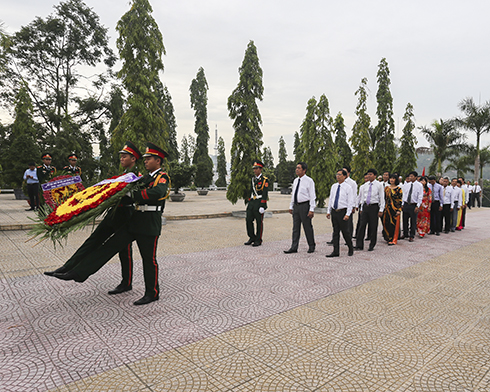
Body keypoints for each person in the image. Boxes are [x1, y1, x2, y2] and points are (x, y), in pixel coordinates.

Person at [52, 142, 170, 306]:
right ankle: (78, 272)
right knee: (109, 247)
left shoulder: (161, 177)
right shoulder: (144, 178)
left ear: (158, 161)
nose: (146, 161)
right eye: (145, 158)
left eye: (149, 158)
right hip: (135, 221)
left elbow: (157, 193)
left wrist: (131, 193)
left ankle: (152, 293)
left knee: (148, 260)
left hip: (149, 224)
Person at [45, 141, 142, 295]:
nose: (121, 159)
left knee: (124, 250)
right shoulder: (123, 175)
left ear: (134, 159)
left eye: (125, 156)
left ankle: (126, 282)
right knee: (94, 239)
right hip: (114, 212)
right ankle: (68, 267)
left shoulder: (137, 176)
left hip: (126, 214)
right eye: (121, 156)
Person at [284, 162, 316, 254]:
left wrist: (311, 209)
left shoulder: (309, 181)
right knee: (295, 228)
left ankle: (311, 245)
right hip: (296, 206)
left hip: (305, 206)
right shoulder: (295, 180)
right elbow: (293, 194)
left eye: (299, 168)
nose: (296, 169)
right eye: (296, 168)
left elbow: (312, 196)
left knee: (307, 227)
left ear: (304, 170)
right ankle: (294, 247)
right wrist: (291, 206)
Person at [325, 169, 354, 257]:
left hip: (343, 212)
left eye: (340, 174)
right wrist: (328, 211)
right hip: (335, 212)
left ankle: (350, 247)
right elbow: (331, 199)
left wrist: (348, 214)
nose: (338, 176)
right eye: (337, 174)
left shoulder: (348, 187)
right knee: (335, 232)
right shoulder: (334, 186)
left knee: (345, 232)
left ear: (345, 176)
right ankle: (335, 251)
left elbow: (350, 202)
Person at [355, 168, 385, 251]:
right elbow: (362, 198)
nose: (369, 176)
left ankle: (372, 244)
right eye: (368, 174)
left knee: (373, 226)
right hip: (365, 207)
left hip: (374, 207)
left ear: (375, 176)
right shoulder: (365, 185)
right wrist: (361, 208)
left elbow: (382, 197)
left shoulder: (379, 185)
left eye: (371, 174)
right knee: (361, 226)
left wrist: (381, 209)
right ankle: (359, 245)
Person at [244, 161, 269, 247]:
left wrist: (263, 205)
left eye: (256, 168)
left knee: (259, 222)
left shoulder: (264, 180)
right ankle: (252, 237)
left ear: (260, 169)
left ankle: (258, 239)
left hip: (259, 202)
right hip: (252, 202)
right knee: (248, 220)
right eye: (254, 168)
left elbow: (265, 193)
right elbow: (251, 191)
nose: (255, 170)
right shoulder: (253, 180)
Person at [401, 171, 424, 242]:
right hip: (406, 204)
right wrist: (402, 204)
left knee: (413, 221)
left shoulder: (419, 185)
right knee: (405, 220)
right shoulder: (407, 185)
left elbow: (420, 196)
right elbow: (404, 194)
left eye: (412, 176)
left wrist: (417, 206)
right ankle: (405, 233)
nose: (410, 177)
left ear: (415, 177)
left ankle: (411, 235)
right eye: (410, 176)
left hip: (413, 205)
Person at [382, 173, 402, 245]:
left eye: (393, 178)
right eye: (391, 178)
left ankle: (393, 239)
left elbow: (400, 200)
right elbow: (383, 199)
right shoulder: (386, 188)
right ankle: (387, 237)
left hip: (394, 209)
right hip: (386, 209)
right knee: (386, 223)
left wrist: (399, 210)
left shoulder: (398, 189)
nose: (392, 180)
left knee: (393, 224)